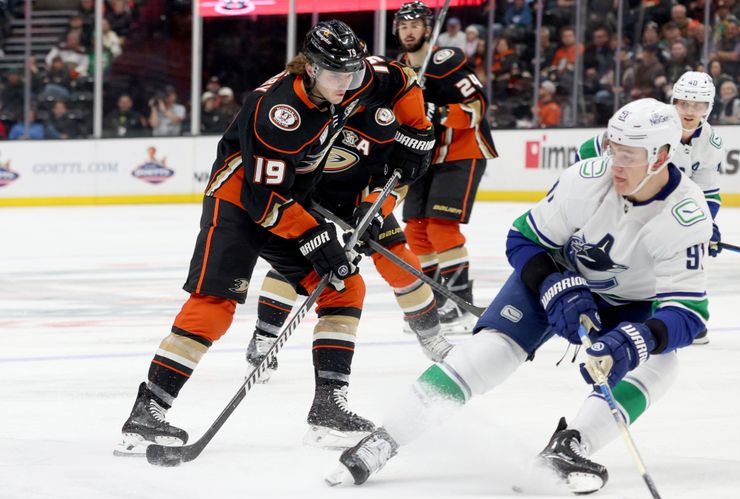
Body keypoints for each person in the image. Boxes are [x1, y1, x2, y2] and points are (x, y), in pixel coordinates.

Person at [329, 99, 713, 494]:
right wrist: (552, 284)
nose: (615, 162)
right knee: (488, 353)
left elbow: (689, 314)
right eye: (613, 148)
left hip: (630, 303)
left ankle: (571, 445)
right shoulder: (586, 178)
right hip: (559, 272)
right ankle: (386, 437)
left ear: (662, 155)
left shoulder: (686, 215)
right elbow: (523, 238)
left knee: (662, 366)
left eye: (628, 155)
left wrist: (638, 340)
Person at [114, 20, 434, 456]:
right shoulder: (277, 111)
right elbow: (263, 200)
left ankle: (327, 409)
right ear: (311, 68)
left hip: (291, 200)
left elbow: (403, 80)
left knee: (345, 288)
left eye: (352, 74)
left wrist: (417, 133)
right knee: (215, 304)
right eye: (337, 76)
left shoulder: (356, 76)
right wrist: (314, 237)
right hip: (239, 201)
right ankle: (148, 410)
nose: (347, 84)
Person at [244, 106, 454, 416]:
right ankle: (263, 339)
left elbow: (401, 179)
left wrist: (375, 210)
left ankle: (431, 335)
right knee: (295, 266)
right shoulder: (309, 102)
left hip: (362, 200)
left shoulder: (387, 113)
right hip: (309, 198)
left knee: (399, 261)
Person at [575, 72, 724, 344]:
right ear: (673, 101)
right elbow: (587, 151)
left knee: (677, 259)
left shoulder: (711, 144)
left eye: (699, 105)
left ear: (709, 107)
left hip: (670, 208)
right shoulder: (651, 121)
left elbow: (709, 193)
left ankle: (678, 313)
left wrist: (706, 227)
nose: (690, 111)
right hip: (628, 201)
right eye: (684, 103)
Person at [394, 1, 498, 333]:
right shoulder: (399, 69)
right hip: (426, 156)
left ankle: (460, 299)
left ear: (428, 29)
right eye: (404, 25)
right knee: (415, 230)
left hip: (462, 151)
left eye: (415, 25)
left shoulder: (445, 61)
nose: (409, 31)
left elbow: (477, 107)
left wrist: (433, 110)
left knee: (440, 227)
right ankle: (438, 298)